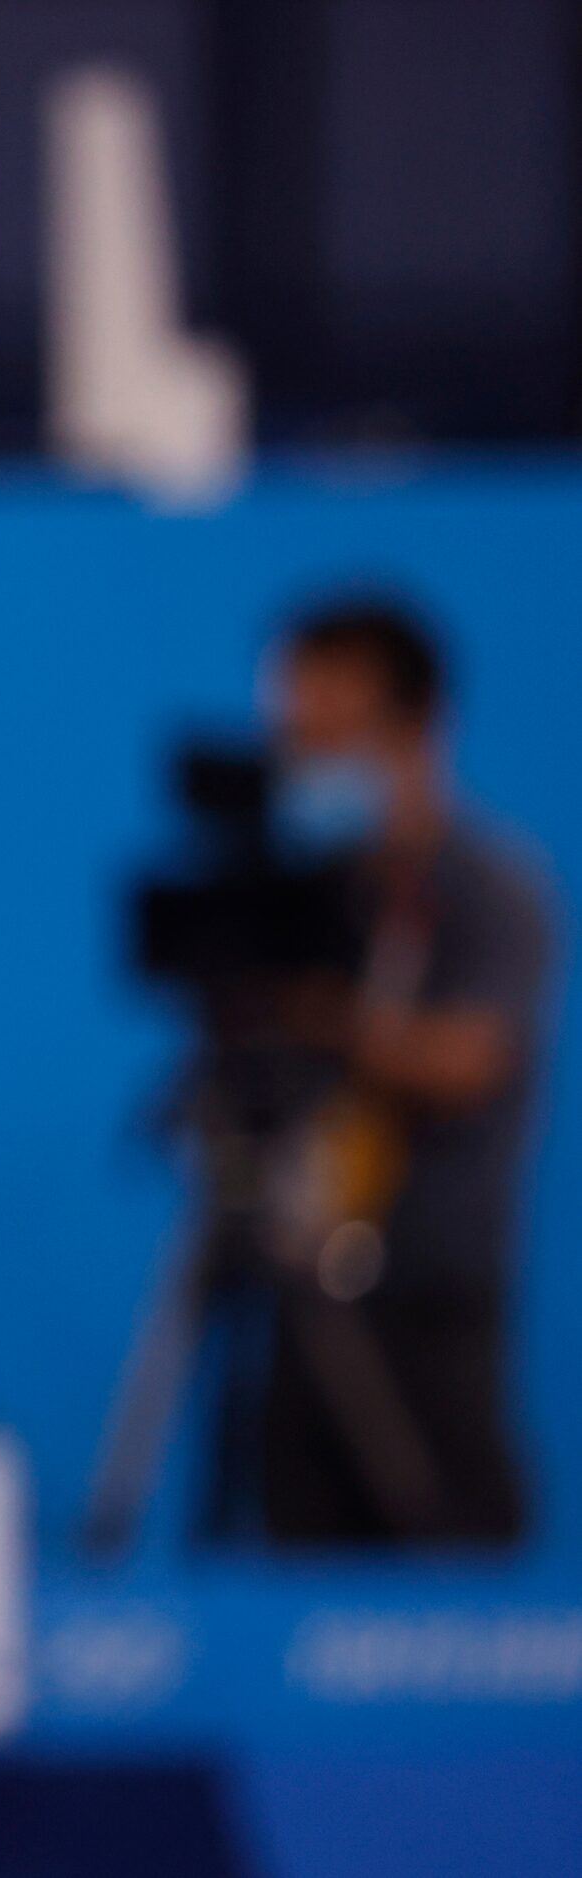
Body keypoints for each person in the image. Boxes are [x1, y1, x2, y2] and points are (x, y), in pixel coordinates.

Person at [240, 596, 561, 1545]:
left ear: (415, 728)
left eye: (335, 736)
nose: (313, 764)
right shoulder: (305, 899)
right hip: (302, 1275)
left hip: (430, 1287)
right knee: (295, 1552)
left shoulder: (491, 891)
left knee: (452, 1549)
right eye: (295, 740)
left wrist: (328, 1021)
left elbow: (470, 1059)